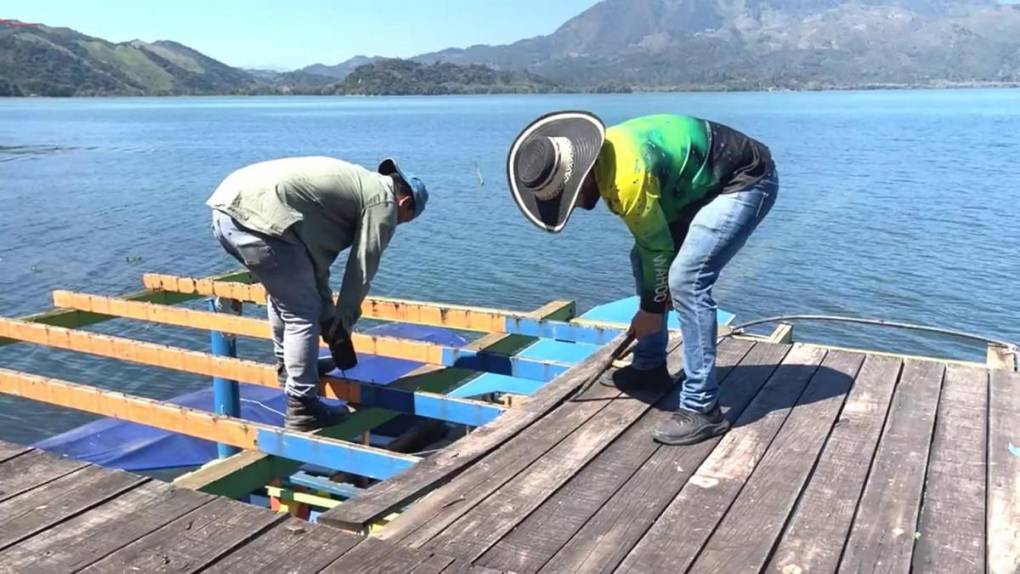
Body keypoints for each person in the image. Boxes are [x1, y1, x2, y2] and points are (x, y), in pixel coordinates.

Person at [507, 112, 776, 445]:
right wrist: (653, 302)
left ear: (582, 175)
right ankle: (650, 367)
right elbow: (651, 249)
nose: (572, 206)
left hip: (743, 180)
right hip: (691, 184)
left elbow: (659, 252)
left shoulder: (627, 178)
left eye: (569, 197)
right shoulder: (607, 162)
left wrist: (651, 309)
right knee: (644, 260)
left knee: (687, 281)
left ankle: (703, 407)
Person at [207, 156, 428, 431]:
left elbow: (312, 268)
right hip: (259, 218)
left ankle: (291, 368)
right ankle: (302, 406)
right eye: (402, 221)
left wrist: (328, 317)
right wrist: (343, 323)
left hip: (228, 212)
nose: (395, 225)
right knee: (301, 313)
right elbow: (361, 268)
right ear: (405, 204)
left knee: (285, 296)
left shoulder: (355, 188)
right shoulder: (383, 202)